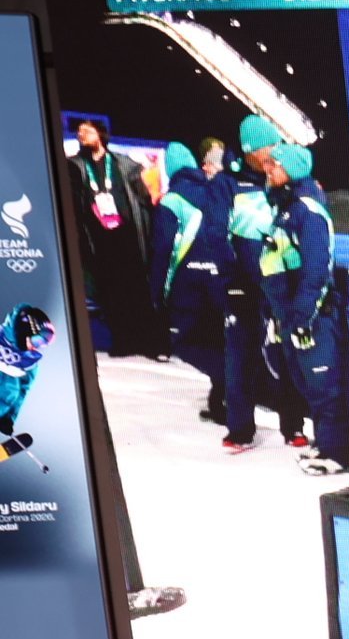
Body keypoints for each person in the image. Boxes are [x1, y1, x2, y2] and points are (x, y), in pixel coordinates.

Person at [259, 143, 349, 476]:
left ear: (293, 169)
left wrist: (302, 317)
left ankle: (338, 454)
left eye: (275, 164)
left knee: (324, 384)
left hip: (313, 317)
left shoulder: (308, 211)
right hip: (291, 316)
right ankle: (325, 443)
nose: (268, 168)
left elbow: (316, 270)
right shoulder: (286, 207)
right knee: (307, 384)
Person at [220, 115, 306, 452]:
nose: (272, 155)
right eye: (266, 149)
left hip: (281, 284)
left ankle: (294, 426)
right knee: (240, 355)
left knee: (288, 354)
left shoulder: (284, 179)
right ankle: (240, 430)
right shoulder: (228, 184)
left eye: (275, 147)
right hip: (243, 285)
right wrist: (230, 279)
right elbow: (217, 234)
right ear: (249, 151)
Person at [148, 142, 234, 422]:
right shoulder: (212, 190)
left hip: (189, 282)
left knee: (187, 343)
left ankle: (230, 385)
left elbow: (163, 248)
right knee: (216, 340)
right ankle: (222, 401)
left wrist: (157, 290)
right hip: (219, 278)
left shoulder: (172, 200)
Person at [66, 119, 163, 357]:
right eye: (78, 132)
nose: (81, 135)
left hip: (127, 237)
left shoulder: (124, 164)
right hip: (98, 240)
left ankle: (150, 343)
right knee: (110, 294)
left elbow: (142, 199)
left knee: (137, 291)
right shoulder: (74, 166)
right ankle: (123, 341)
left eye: (86, 131)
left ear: (99, 133)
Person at [0, 303, 55, 436]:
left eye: (42, 344)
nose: (36, 347)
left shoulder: (29, 363)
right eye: (37, 341)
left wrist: (9, 418)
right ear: (25, 330)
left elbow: (23, 391)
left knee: (14, 388)